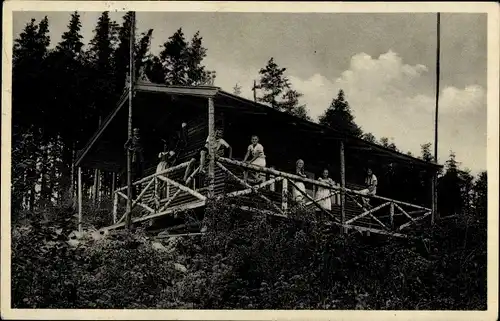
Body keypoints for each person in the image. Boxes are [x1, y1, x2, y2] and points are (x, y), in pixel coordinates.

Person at [124, 128, 144, 197]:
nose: (136, 133)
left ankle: (139, 175)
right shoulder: (131, 139)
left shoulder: (141, 138)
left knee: (140, 164)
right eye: (135, 132)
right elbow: (125, 145)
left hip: (140, 153)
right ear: (133, 133)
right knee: (134, 165)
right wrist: (131, 149)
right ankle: (135, 176)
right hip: (135, 153)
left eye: (137, 132)